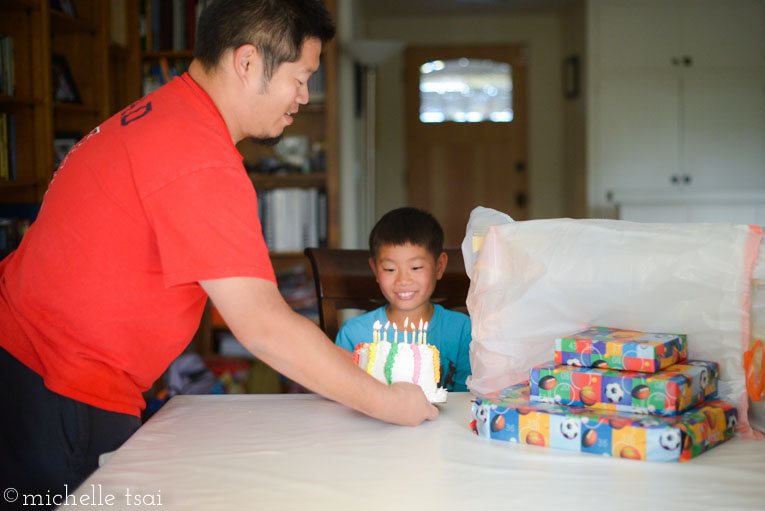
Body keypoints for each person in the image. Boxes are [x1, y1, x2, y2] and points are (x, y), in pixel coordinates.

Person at [0, 0, 436, 505]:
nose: (304, 95)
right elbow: (264, 327)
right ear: (248, 62)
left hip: (34, 362)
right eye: (301, 77)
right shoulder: (198, 156)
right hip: (57, 386)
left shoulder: (163, 112)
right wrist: (388, 401)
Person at [335, 207, 472, 392]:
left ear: (439, 266)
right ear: (374, 269)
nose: (403, 280)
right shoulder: (354, 335)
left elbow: (467, 398)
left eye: (416, 267)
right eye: (390, 269)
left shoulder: (463, 330)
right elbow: (344, 394)